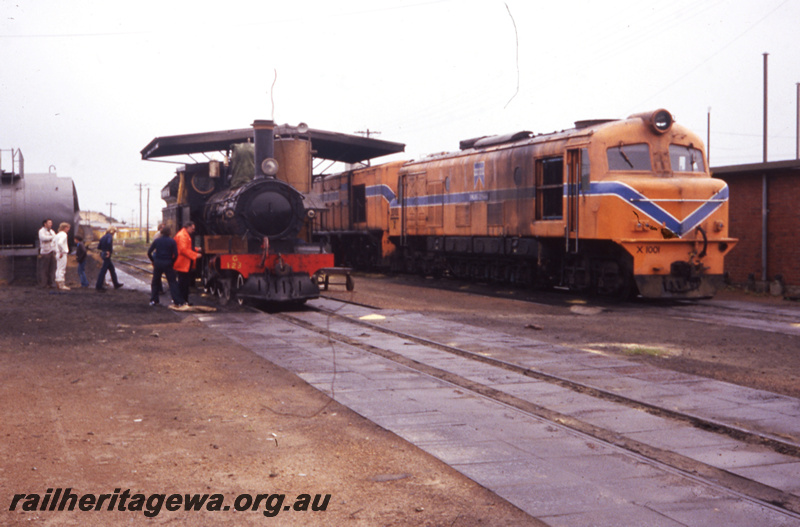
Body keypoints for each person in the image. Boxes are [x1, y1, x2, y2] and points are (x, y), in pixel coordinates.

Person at [146, 225, 184, 307]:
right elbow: (176, 255)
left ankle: (154, 300)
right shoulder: (172, 241)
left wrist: (154, 260)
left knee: (155, 282)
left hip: (158, 263)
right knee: (172, 282)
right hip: (168, 263)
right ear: (170, 233)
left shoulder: (157, 241)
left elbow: (149, 252)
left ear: (162, 232)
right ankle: (177, 301)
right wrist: (172, 262)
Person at [174, 221, 202, 305]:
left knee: (185, 282)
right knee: (183, 282)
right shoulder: (182, 235)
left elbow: (187, 247)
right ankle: (181, 301)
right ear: (188, 227)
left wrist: (196, 249)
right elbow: (183, 250)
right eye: (192, 229)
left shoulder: (184, 234)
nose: (193, 230)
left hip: (185, 262)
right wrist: (195, 255)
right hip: (182, 262)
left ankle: (184, 300)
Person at [95, 226, 123, 291]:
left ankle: (116, 284)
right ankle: (99, 286)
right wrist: (108, 251)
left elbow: (99, 247)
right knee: (103, 271)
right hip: (106, 255)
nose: (114, 233)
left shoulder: (103, 237)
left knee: (112, 269)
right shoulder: (109, 236)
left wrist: (103, 250)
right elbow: (109, 243)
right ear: (112, 231)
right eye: (114, 231)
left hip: (103, 253)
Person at [37, 219, 57, 288]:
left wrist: (52, 238)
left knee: (52, 269)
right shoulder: (41, 231)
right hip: (45, 252)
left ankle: (51, 283)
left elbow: (55, 238)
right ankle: (43, 284)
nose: (51, 224)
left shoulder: (52, 231)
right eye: (49, 223)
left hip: (52, 251)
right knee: (44, 269)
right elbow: (43, 238)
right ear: (45, 224)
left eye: (51, 223)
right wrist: (52, 237)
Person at [54, 222, 71, 290]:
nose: (68, 229)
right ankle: (61, 284)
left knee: (58, 268)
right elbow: (60, 243)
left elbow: (53, 243)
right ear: (65, 228)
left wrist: (57, 251)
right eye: (68, 228)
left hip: (57, 253)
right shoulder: (64, 234)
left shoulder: (57, 235)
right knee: (62, 269)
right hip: (62, 253)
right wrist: (62, 251)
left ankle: (58, 281)